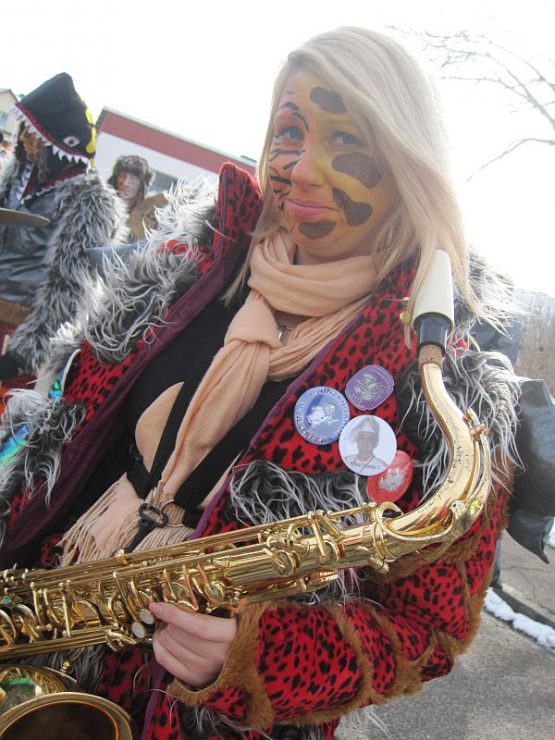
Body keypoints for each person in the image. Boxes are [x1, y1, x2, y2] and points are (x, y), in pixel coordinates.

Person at [0, 28, 523, 739]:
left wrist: (262, 658)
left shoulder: (446, 379)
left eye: (346, 141)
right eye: (289, 132)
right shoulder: (186, 266)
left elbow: (427, 632)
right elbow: (59, 430)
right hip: (37, 644)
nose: (301, 170)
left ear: (407, 160)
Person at [0, 72, 127, 386]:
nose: (24, 139)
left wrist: (23, 355)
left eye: (32, 133)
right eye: (23, 130)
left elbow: (70, 289)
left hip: (19, 336)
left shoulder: (90, 200)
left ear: (56, 142)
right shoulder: (15, 178)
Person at [107, 154, 163, 241]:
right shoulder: (102, 206)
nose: (126, 183)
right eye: (123, 176)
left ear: (141, 185)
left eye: (133, 179)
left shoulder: (150, 216)